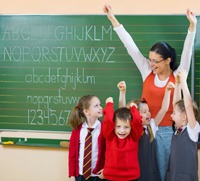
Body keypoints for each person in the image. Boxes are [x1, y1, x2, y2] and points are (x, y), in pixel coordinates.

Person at [103, 4, 197, 181]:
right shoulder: (147, 71)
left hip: (169, 132)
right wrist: (113, 19)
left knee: (166, 174)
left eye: (156, 61)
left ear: (168, 60)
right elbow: (130, 46)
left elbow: (187, 53)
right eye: (150, 60)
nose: (151, 64)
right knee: (147, 172)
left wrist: (193, 27)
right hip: (145, 130)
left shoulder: (177, 76)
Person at [117, 81, 174, 181]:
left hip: (150, 173)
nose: (148, 114)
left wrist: (167, 91)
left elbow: (164, 109)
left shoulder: (150, 127)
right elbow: (122, 111)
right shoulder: (130, 129)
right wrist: (122, 92)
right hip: (134, 173)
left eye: (148, 111)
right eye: (144, 112)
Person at [166, 69, 200, 181]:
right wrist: (178, 83)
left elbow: (188, 106)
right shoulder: (178, 129)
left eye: (174, 113)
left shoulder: (192, 130)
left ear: (185, 117)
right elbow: (176, 103)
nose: (171, 116)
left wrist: (184, 82)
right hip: (174, 176)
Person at [99, 97, 143, 181]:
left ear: (131, 127)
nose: (122, 131)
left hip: (131, 177)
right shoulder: (110, 136)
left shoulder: (133, 136)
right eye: (118, 126)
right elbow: (108, 120)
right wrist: (109, 105)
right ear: (113, 126)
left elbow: (137, 121)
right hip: (111, 176)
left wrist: (133, 108)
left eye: (126, 127)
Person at [68, 95, 106, 181]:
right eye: (96, 106)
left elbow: (111, 152)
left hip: (99, 176)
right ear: (86, 111)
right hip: (80, 175)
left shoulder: (104, 127)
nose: (101, 108)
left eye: (100, 105)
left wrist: (107, 170)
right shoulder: (77, 129)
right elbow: (72, 154)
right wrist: (72, 175)